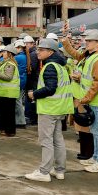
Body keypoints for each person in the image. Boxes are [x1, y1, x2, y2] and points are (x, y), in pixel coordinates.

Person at [63, 29, 98, 173]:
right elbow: (77, 55)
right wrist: (66, 42)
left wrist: (86, 98)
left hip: (97, 100)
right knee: (95, 130)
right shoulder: (91, 56)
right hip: (93, 99)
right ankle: (96, 157)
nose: (86, 43)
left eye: (89, 41)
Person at [25, 38, 71, 182]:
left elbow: (50, 88)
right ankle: (59, 170)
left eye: (41, 50)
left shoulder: (50, 66)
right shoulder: (60, 65)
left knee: (46, 140)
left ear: (50, 52)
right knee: (57, 140)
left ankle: (44, 171)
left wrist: (34, 94)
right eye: (38, 49)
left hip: (49, 109)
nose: (38, 52)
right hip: (60, 108)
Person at [0, 44, 20, 137]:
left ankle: (9, 131)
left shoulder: (10, 64)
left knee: (8, 114)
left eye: (4, 52)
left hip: (8, 93)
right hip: (4, 92)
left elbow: (8, 77)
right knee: (4, 112)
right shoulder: (5, 63)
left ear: (9, 54)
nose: (3, 53)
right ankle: (4, 128)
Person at [23, 35, 40, 125]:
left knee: (31, 99)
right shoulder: (31, 52)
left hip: (33, 80)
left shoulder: (33, 54)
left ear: (32, 44)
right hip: (33, 80)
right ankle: (32, 117)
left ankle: (32, 118)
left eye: (26, 44)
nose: (25, 45)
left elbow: (32, 68)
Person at [13, 39, 28, 128]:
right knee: (19, 101)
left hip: (19, 81)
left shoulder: (18, 57)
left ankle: (21, 121)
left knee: (18, 102)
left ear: (19, 48)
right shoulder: (24, 56)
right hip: (23, 80)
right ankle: (20, 120)